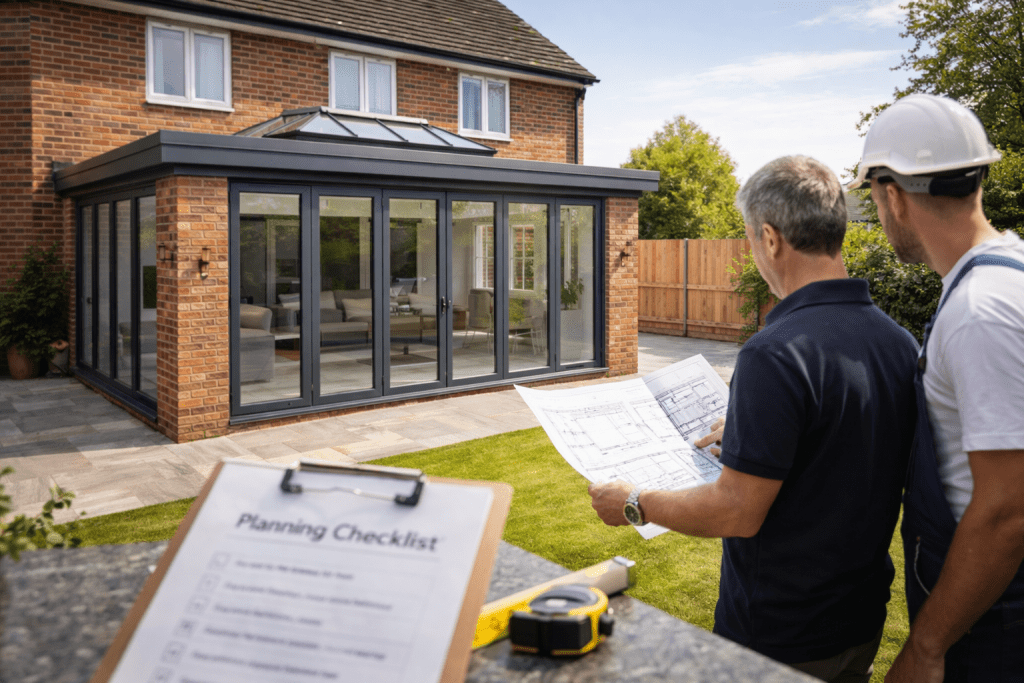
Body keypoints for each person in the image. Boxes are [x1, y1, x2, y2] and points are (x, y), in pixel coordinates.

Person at [589, 155, 919, 682]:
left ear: (769, 238)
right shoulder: (898, 343)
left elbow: (735, 512)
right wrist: (753, 436)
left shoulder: (775, 352)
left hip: (779, 633)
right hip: (858, 618)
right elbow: (846, 447)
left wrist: (633, 502)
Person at [849, 93, 1024, 682]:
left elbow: (1008, 510)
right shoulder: (1002, 276)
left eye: (873, 198)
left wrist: (926, 647)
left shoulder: (981, 311)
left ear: (893, 195)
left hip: (991, 618)